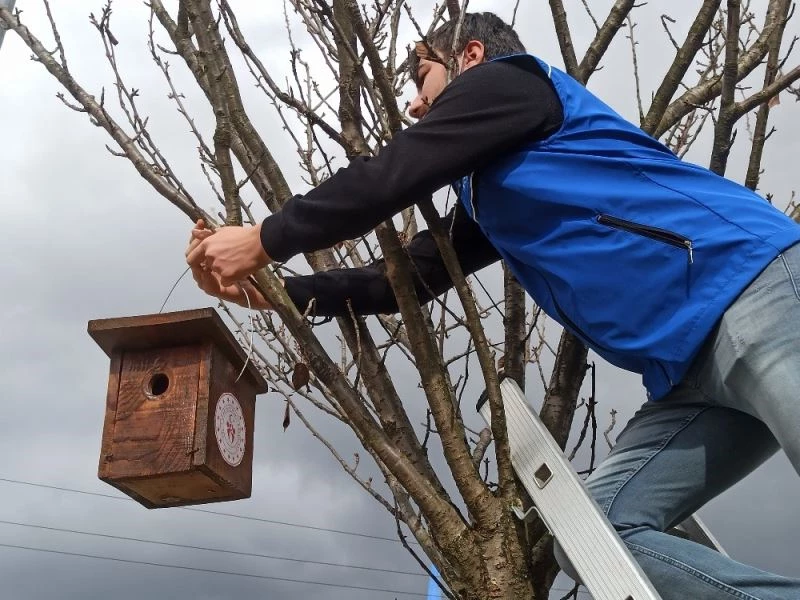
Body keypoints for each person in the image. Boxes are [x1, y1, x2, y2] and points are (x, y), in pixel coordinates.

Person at [185, 12, 800, 599]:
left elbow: (389, 176)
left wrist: (265, 238)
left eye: (421, 79)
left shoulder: (514, 85)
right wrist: (273, 293)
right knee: (596, 536)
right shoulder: (491, 189)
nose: (415, 105)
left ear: (470, 56)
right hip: (687, 376)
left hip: (752, 288)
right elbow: (403, 280)